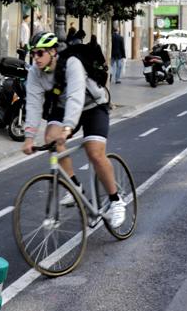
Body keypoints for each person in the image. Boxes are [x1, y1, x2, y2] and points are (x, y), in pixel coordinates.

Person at [22, 32, 126, 228]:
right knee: (51, 137)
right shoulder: (35, 72)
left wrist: (68, 127)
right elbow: (34, 105)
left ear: (53, 52)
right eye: (33, 53)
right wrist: (29, 137)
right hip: (62, 107)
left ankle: (116, 201)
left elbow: (76, 97)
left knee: (94, 152)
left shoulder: (71, 63)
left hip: (93, 106)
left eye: (40, 53)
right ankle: (75, 187)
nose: (35, 57)